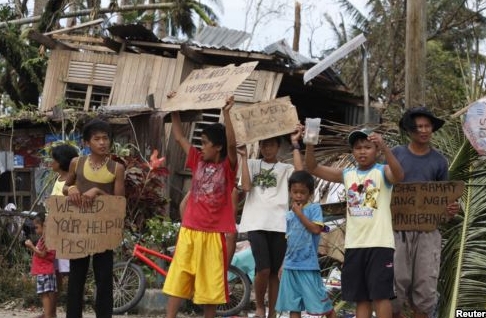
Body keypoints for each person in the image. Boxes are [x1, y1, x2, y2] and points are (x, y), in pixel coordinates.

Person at [305, 128, 404, 318]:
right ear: (353, 152)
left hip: (380, 244)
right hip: (354, 245)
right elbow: (312, 168)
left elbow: (399, 175)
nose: (362, 151)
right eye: (358, 148)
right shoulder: (347, 174)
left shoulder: (382, 172)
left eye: (368, 147)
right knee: (361, 298)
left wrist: (386, 148)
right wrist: (309, 143)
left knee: (381, 296)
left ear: (376, 150)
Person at [162, 94, 238, 318]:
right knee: (179, 279)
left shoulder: (228, 168)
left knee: (210, 287)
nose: (201, 146)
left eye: (205, 143)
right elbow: (178, 136)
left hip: (214, 235)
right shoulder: (196, 160)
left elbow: (232, 145)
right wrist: (175, 109)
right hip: (189, 230)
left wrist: (227, 113)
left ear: (218, 146)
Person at [391, 107, 460, 318]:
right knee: (392, 288)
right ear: (410, 130)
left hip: (428, 234)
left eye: (427, 126)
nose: (423, 130)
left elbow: (444, 201)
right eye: (418, 126)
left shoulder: (439, 161)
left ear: (432, 129)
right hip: (396, 232)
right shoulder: (396, 154)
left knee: (425, 289)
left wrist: (450, 209)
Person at [237, 128, 303, 318]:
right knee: (263, 269)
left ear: (278, 147)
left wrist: (296, 143)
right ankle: (259, 306)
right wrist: (243, 157)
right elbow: (247, 187)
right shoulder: (251, 164)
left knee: (274, 272)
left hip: (280, 224)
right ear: (260, 146)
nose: (267, 148)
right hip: (256, 223)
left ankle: (272, 312)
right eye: (264, 144)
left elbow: (301, 175)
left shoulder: (286, 168)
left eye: (271, 144)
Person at [63, 119, 126, 318]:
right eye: (96, 139)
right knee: (76, 279)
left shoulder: (117, 168)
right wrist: (71, 188)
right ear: (86, 143)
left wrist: (98, 191)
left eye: (105, 138)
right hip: (79, 229)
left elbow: (119, 202)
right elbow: (65, 187)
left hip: (104, 231)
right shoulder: (77, 163)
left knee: (104, 279)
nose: (102, 143)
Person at [275, 170, 336, 318]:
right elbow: (289, 241)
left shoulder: (314, 209)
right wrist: (283, 263)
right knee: (293, 306)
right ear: (290, 192)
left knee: (322, 303)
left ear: (310, 193)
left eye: (302, 192)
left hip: (308, 265)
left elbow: (316, 229)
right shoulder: (289, 215)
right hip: (291, 265)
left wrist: (300, 214)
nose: (298, 196)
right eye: (295, 192)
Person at [49, 143, 78, 314]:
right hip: (55, 233)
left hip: (67, 235)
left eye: (53, 159)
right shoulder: (58, 180)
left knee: (69, 275)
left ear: (61, 161)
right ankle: (50, 312)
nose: (50, 162)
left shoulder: (72, 183)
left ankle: (72, 309)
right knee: (55, 275)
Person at [25, 212, 57, 318]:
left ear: (44, 225)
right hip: (47, 270)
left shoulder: (46, 238)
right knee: (48, 294)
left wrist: (31, 247)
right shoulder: (45, 238)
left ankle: (48, 315)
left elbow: (43, 254)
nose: (35, 230)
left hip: (44, 270)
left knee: (44, 295)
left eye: (37, 227)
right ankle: (50, 315)